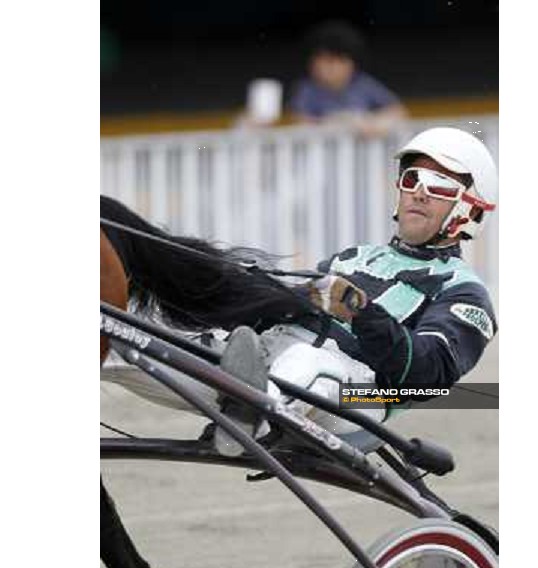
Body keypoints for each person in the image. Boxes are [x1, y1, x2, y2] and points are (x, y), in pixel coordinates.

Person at [102, 127, 498, 456]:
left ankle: (247, 419)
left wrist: (360, 312)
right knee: (125, 339)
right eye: (412, 179)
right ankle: (247, 400)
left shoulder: (463, 291)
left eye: (439, 186)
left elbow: (428, 376)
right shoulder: (355, 257)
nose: (419, 192)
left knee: (309, 360)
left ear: (470, 210)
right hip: (276, 366)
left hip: (360, 399)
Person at [289, 21, 408, 136]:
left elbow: (397, 110)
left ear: (351, 64)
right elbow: (299, 120)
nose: (323, 67)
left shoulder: (363, 84)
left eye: (332, 61)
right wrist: (337, 122)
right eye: (318, 60)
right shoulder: (307, 90)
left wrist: (376, 123)